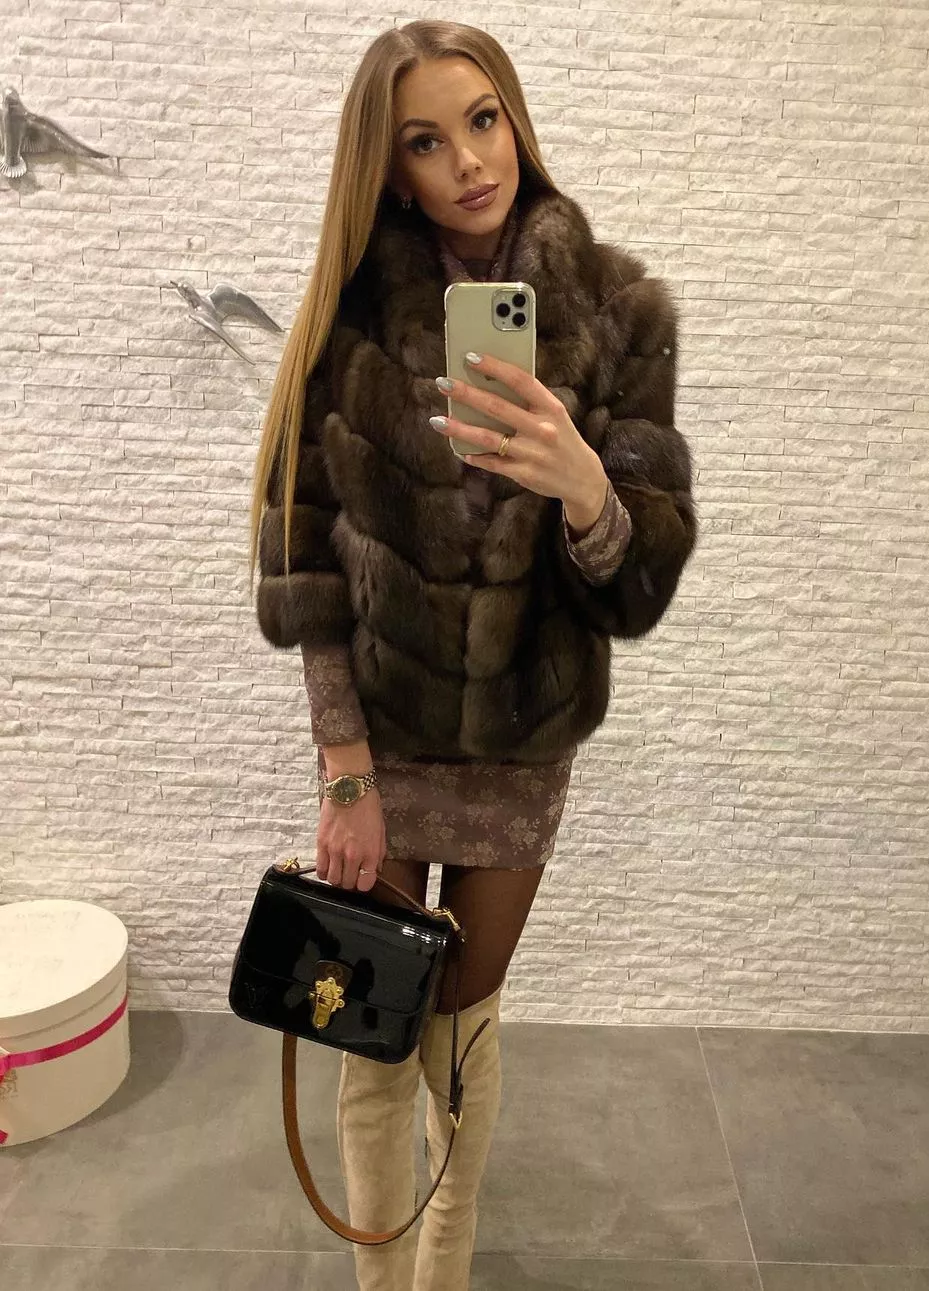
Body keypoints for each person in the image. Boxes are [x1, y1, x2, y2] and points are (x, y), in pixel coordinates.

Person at [247, 19, 696, 1291]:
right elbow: (305, 568)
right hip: (383, 746)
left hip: (521, 747)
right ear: (389, 170)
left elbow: (639, 582)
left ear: (515, 118)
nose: (469, 162)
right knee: (373, 1026)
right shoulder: (346, 322)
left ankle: (441, 1271)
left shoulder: (620, 311)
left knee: (458, 1028)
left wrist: (585, 487)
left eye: (483, 120)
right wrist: (344, 768)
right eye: (426, 141)